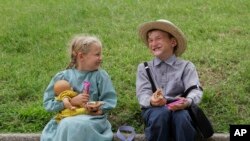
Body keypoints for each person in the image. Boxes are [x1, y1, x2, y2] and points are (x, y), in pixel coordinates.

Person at [136, 19, 203, 141]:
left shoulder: (186, 66)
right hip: (154, 110)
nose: (153, 43)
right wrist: (152, 100)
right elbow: (142, 94)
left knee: (181, 118)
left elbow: (195, 90)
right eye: (150, 40)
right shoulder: (144, 68)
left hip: (180, 109)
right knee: (160, 114)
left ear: (173, 42)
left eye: (158, 38)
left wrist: (187, 101)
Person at [40, 34, 117, 141]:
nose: (101, 58)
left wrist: (98, 108)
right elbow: (48, 104)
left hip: (92, 119)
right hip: (66, 118)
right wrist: (71, 102)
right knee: (68, 123)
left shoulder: (101, 76)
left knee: (75, 125)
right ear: (81, 56)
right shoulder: (63, 77)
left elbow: (110, 100)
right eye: (97, 54)